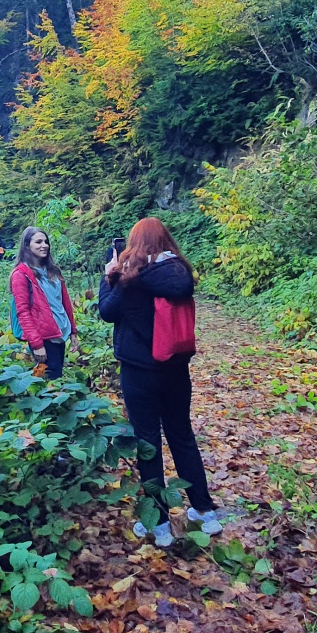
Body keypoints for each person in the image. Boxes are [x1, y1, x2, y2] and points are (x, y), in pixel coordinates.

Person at [99, 217, 221, 544]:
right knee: (182, 435)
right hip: (175, 370)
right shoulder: (178, 271)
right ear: (165, 240)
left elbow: (106, 312)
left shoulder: (128, 279)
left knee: (148, 443)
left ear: (133, 242)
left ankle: (160, 525)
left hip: (139, 373)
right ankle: (205, 513)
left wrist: (108, 274)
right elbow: (181, 289)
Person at [9, 226, 77, 379]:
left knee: (57, 376)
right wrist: (37, 344)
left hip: (60, 331)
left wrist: (73, 330)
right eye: (38, 242)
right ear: (27, 245)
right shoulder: (21, 275)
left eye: (46, 242)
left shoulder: (53, 270)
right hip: (43, 336)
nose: (44, 245)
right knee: (50, 381)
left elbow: (64, 302)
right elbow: (23, 312)